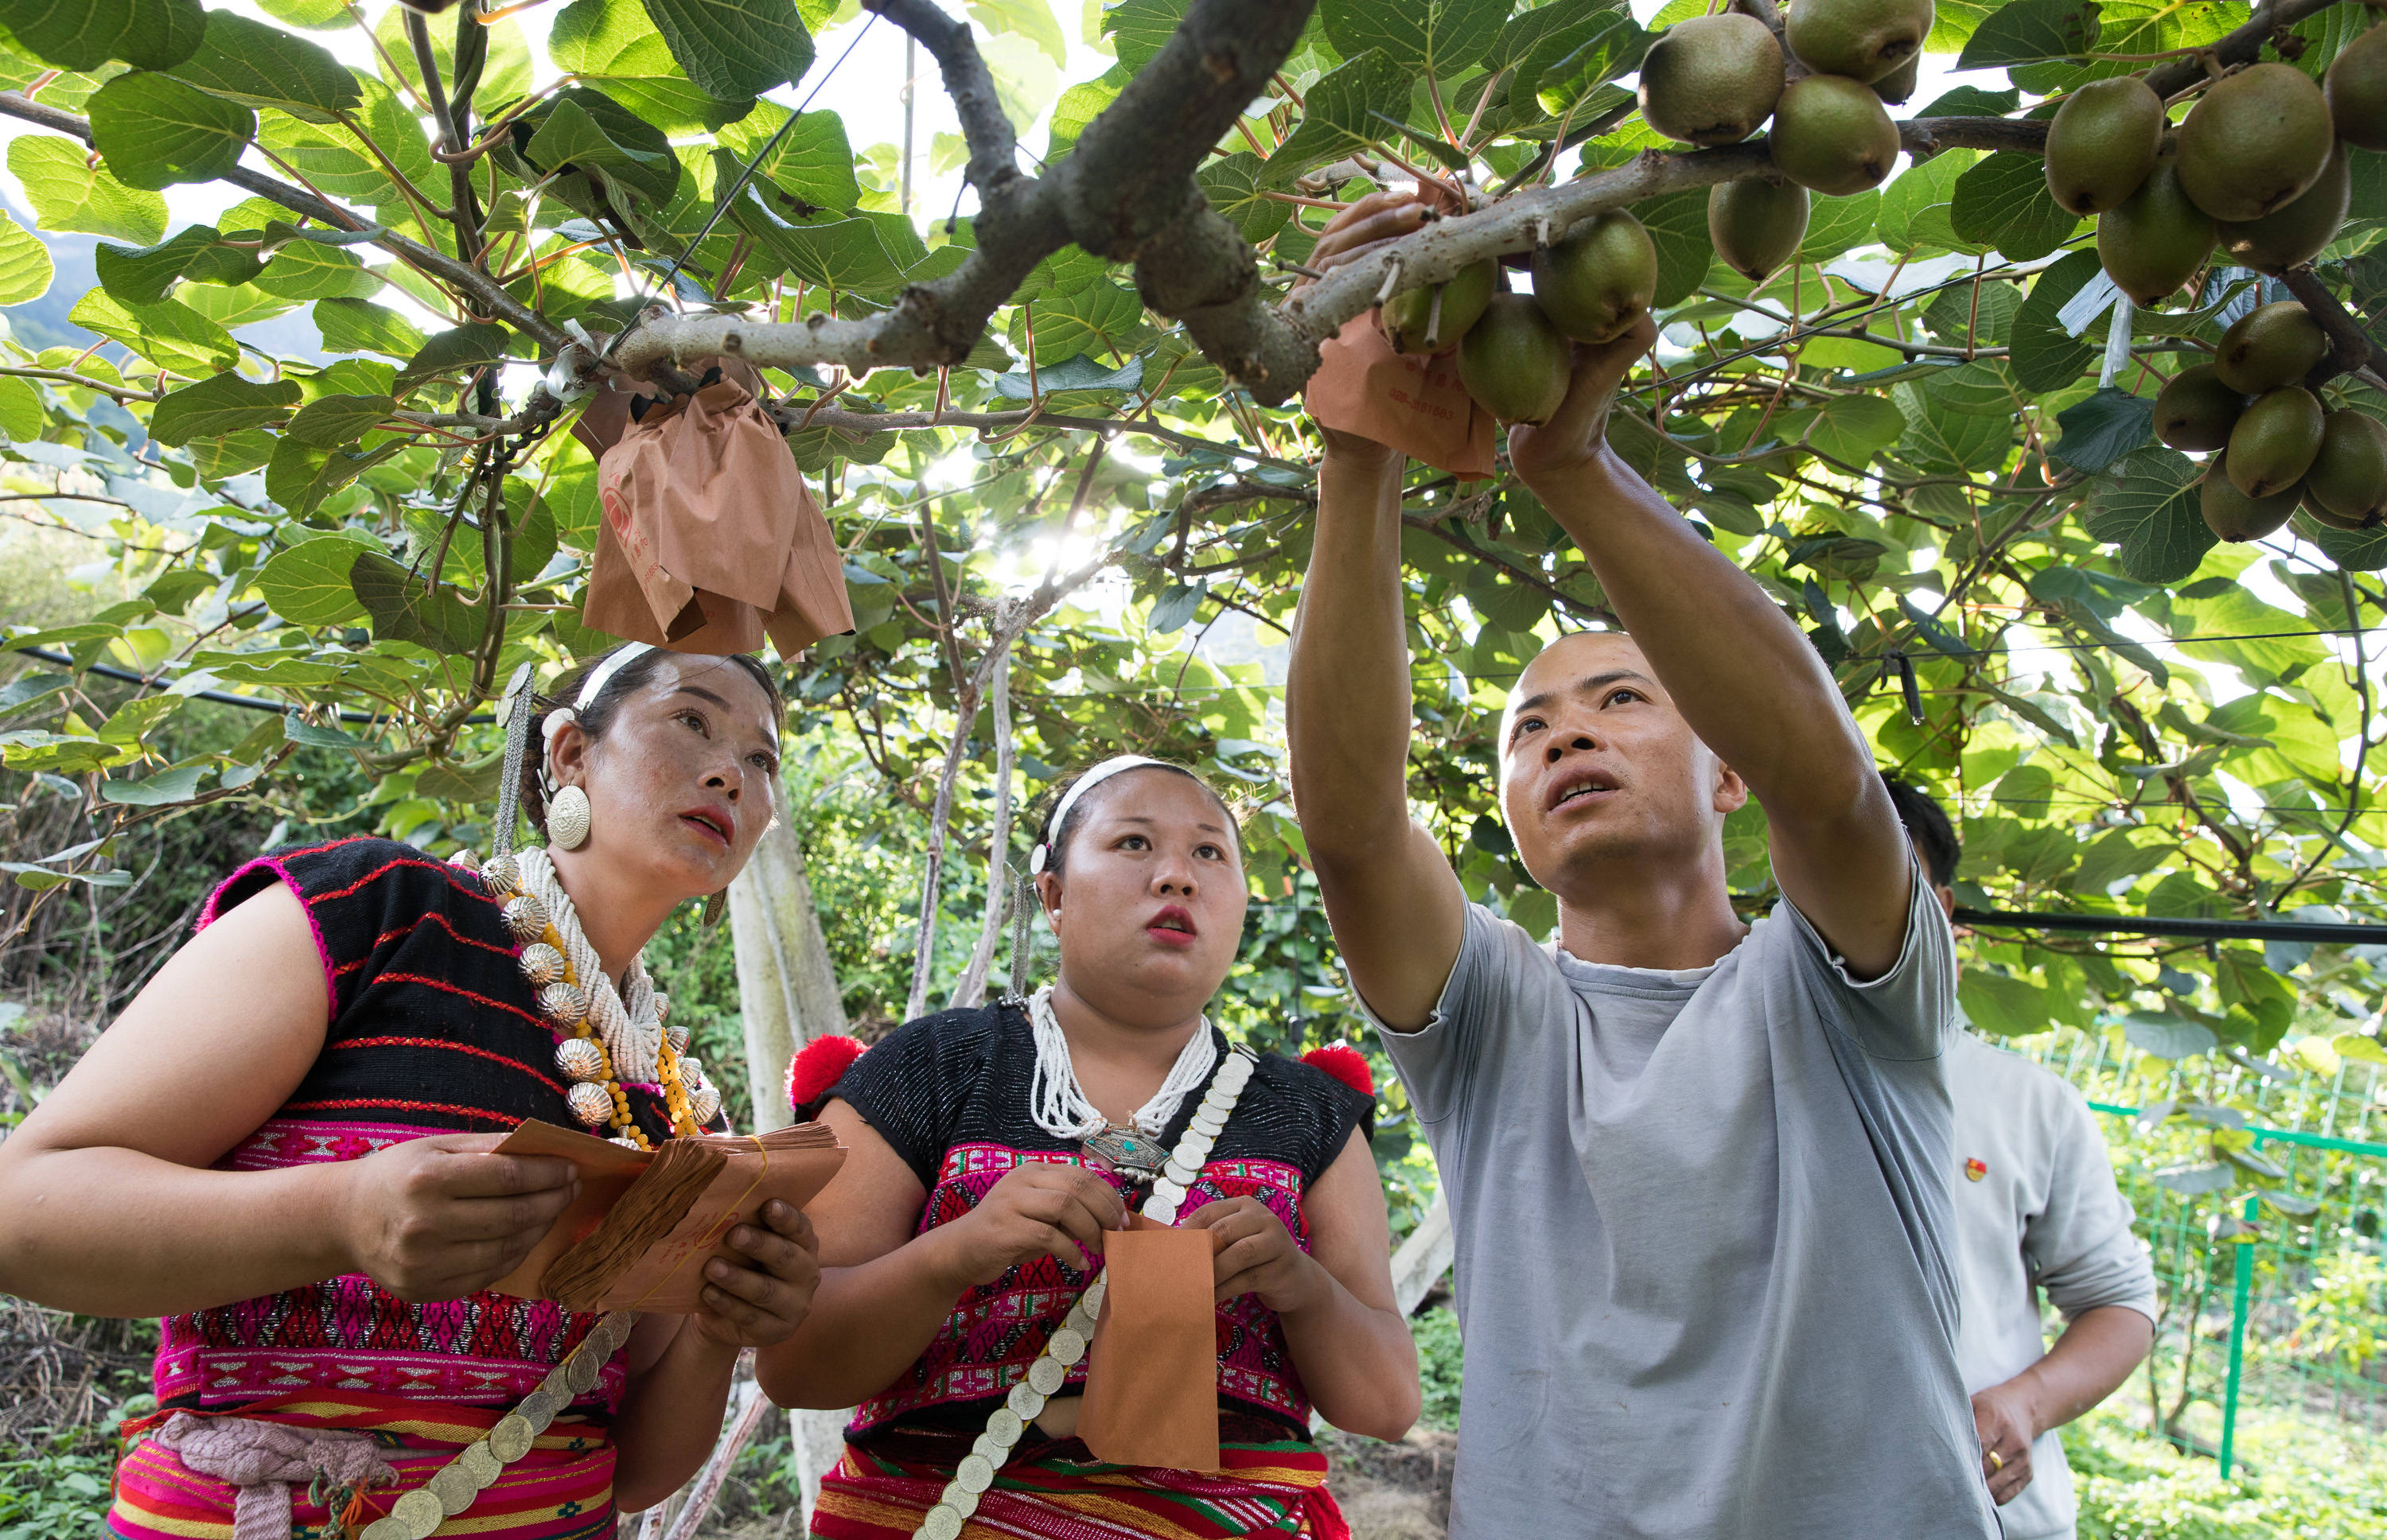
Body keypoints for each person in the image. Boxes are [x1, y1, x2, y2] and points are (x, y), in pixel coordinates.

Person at [1284, 189, 1998, 1539]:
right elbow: (1355, 825)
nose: (1566, 737)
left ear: (1725, 770)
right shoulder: (1498, 1021)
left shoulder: (1843, 991)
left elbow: (1834, 785)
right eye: (1528, 730)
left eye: (1620, 700)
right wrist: (1360, 437)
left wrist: (1573, 465)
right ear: (1507, 813)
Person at [0, 644, 822, 1538]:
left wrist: (716, 1329)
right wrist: (340, 1213)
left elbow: (630, 1471)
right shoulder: (379, 910)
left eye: (762, 759)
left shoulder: (683, 1109)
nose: (729, 774)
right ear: (570, 755)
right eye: (694, 720)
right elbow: (23, 1211)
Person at [761, 756, 1418, 1540]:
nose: (1177, 876)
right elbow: (793, 1362)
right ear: (1055, 894)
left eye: (1210, 852)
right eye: (1135, 843)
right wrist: (957, 1253)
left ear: (1242, 902)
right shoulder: (928, 1067)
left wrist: (1299, 1284)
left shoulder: (1309, 1113)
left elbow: (1385, 1404)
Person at [1884, 776, 2158, 1538]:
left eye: (1877, 866)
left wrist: (2023, 1404)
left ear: (1940, 910)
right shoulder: (1734, 1077)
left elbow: (2119, 1305)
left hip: (1985, 1516)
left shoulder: (2031, 1103)